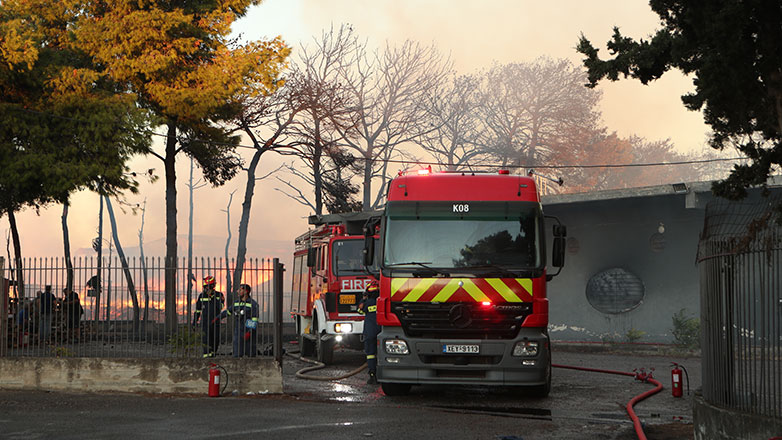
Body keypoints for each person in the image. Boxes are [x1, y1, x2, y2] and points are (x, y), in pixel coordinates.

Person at [216, 284, 259, 357]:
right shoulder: (236, 302)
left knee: (250, 353)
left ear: (245, 291)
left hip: (248, 332)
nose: (237, 291)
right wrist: (218, 318)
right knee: (237, 353)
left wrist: (249, 331)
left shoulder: (253, 304)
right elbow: (228, 311)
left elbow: (254, 319)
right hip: (238, 331)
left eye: (240, 290)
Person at [192, 276, 224, 358]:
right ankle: (206, 356)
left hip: (215, 321)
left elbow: (220, 307)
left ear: (213, 286)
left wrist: (212, 297)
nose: (207, 289)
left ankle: (213, 354)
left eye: (208, 287)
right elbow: (198, 310)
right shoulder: (201, 296)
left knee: (215, 339)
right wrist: (195, 322)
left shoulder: (219, 295)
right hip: (205, 322)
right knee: (205, 340)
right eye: (205, 287)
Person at [358, 279, 381, 384]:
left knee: (371, 354)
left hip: (370, 332)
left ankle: (373, 375)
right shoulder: (382, 302)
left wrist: (363, 299)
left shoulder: (367, 303)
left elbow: (359, 310)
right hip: (381, 332)